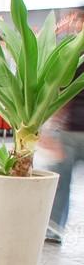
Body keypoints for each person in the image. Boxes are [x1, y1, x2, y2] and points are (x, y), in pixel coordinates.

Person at [47, 61, 84, 244]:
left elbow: (64, 99)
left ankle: (53, 229)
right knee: (61, 184)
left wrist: (52, 130)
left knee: (61, 185)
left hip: (70, 132)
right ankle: (53, 229)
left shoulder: (76, 58)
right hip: (70, 134)